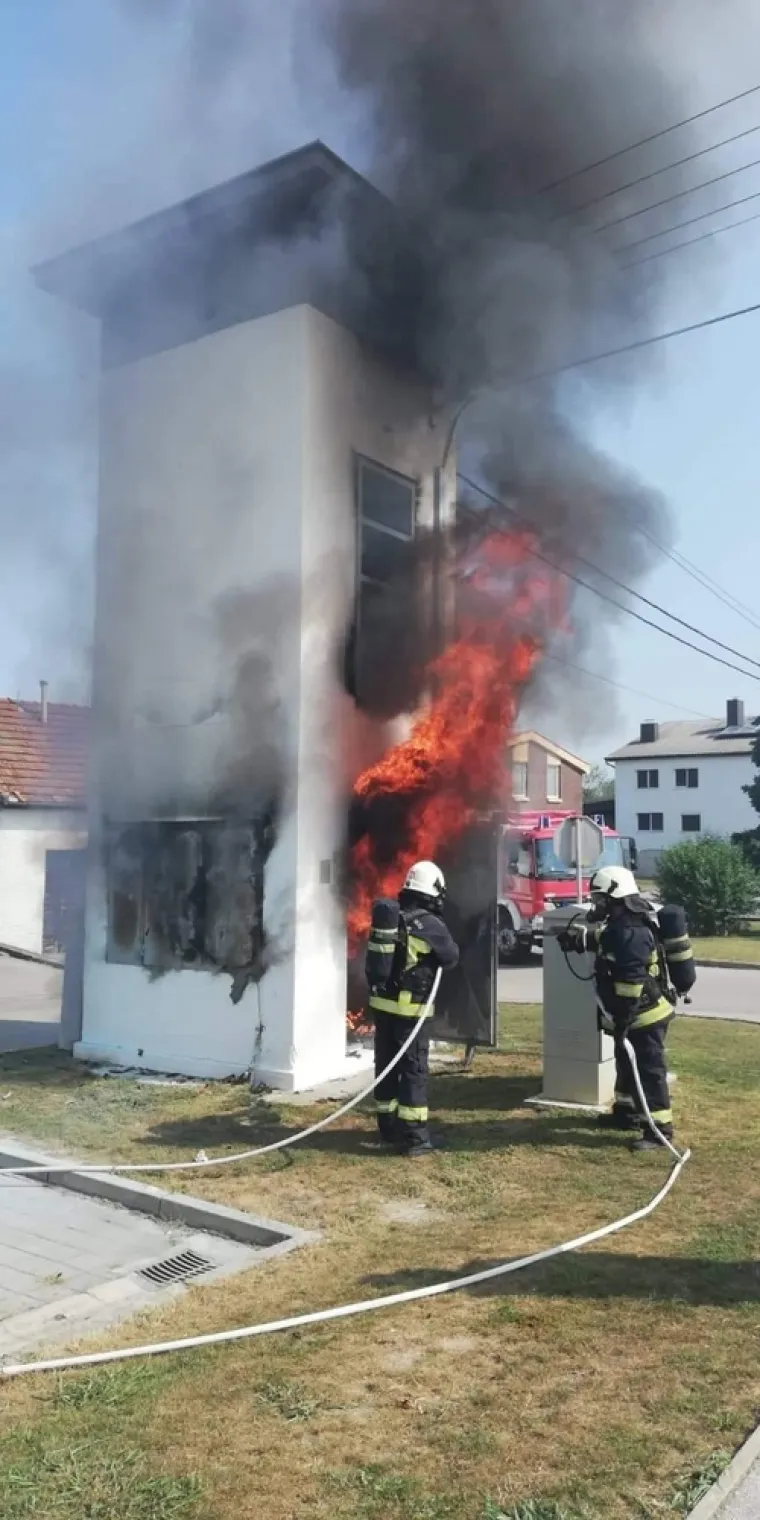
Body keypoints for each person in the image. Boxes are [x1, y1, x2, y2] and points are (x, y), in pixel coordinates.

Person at [559, 865, 695, 1152]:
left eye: (599, 899)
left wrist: (622, 1017)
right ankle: (627, 1113)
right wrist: (578, 940)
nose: (596, 904)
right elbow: (606, 940)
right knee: (625, 1062)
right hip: (632, 1016)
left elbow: (631, 982)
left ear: (615, 898)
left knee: (649, 1070)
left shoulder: (631, 932)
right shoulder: (621, 925)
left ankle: (659, 1130)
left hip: (643, 1016)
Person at [366, 860, 460, 1157]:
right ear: (432, 891)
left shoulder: (393, 917)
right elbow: (451, 957)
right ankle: (416, 1138)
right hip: (410, 1014)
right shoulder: (430, 925)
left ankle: (388, 1127)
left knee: (386, 1066)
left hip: (383, 1008)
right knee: (413, 1071)